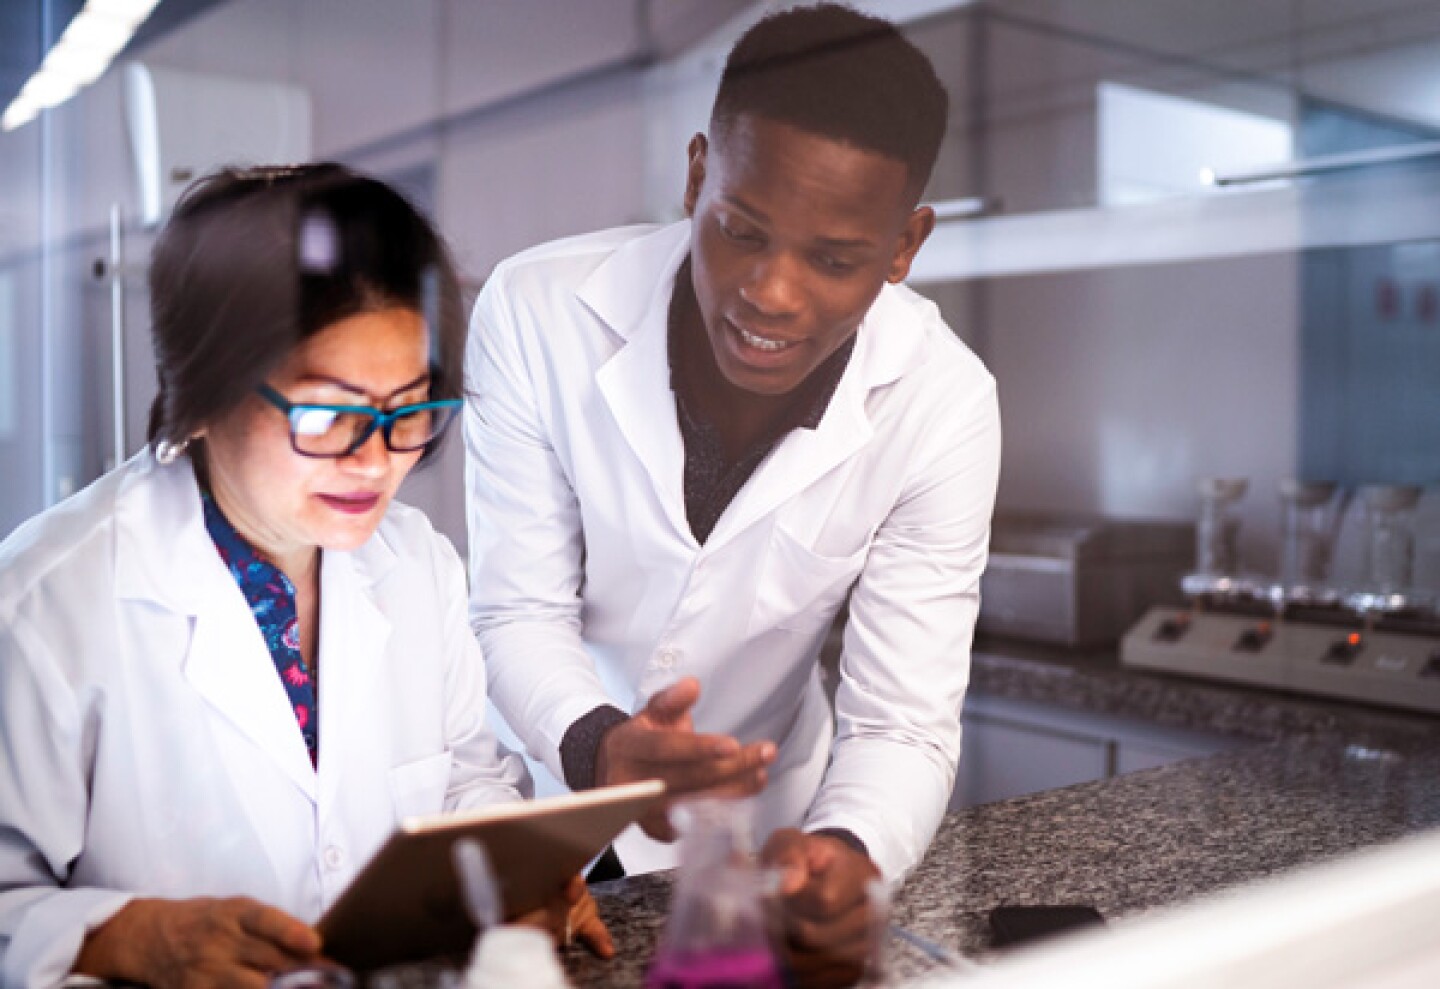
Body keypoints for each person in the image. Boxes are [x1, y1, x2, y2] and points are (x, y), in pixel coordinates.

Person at [465, 4, 1000, 983]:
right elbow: (515, 608)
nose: (772, 292)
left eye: (834, 259)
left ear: (904, 244)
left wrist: (850, 853)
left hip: (761, 847)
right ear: (698, 172)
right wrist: (598, 745)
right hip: (542, 791)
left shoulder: (944, 401)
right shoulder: (535, 309)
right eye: (742, 231)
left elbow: (903, 721)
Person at [0, 164, 610, 989]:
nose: (375, 460)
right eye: (328, 413)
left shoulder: (417, 563)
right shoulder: (44, 605)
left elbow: (463, 772)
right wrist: (118, 934)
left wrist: (509, 872)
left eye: (409, 410)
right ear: (205, 392)